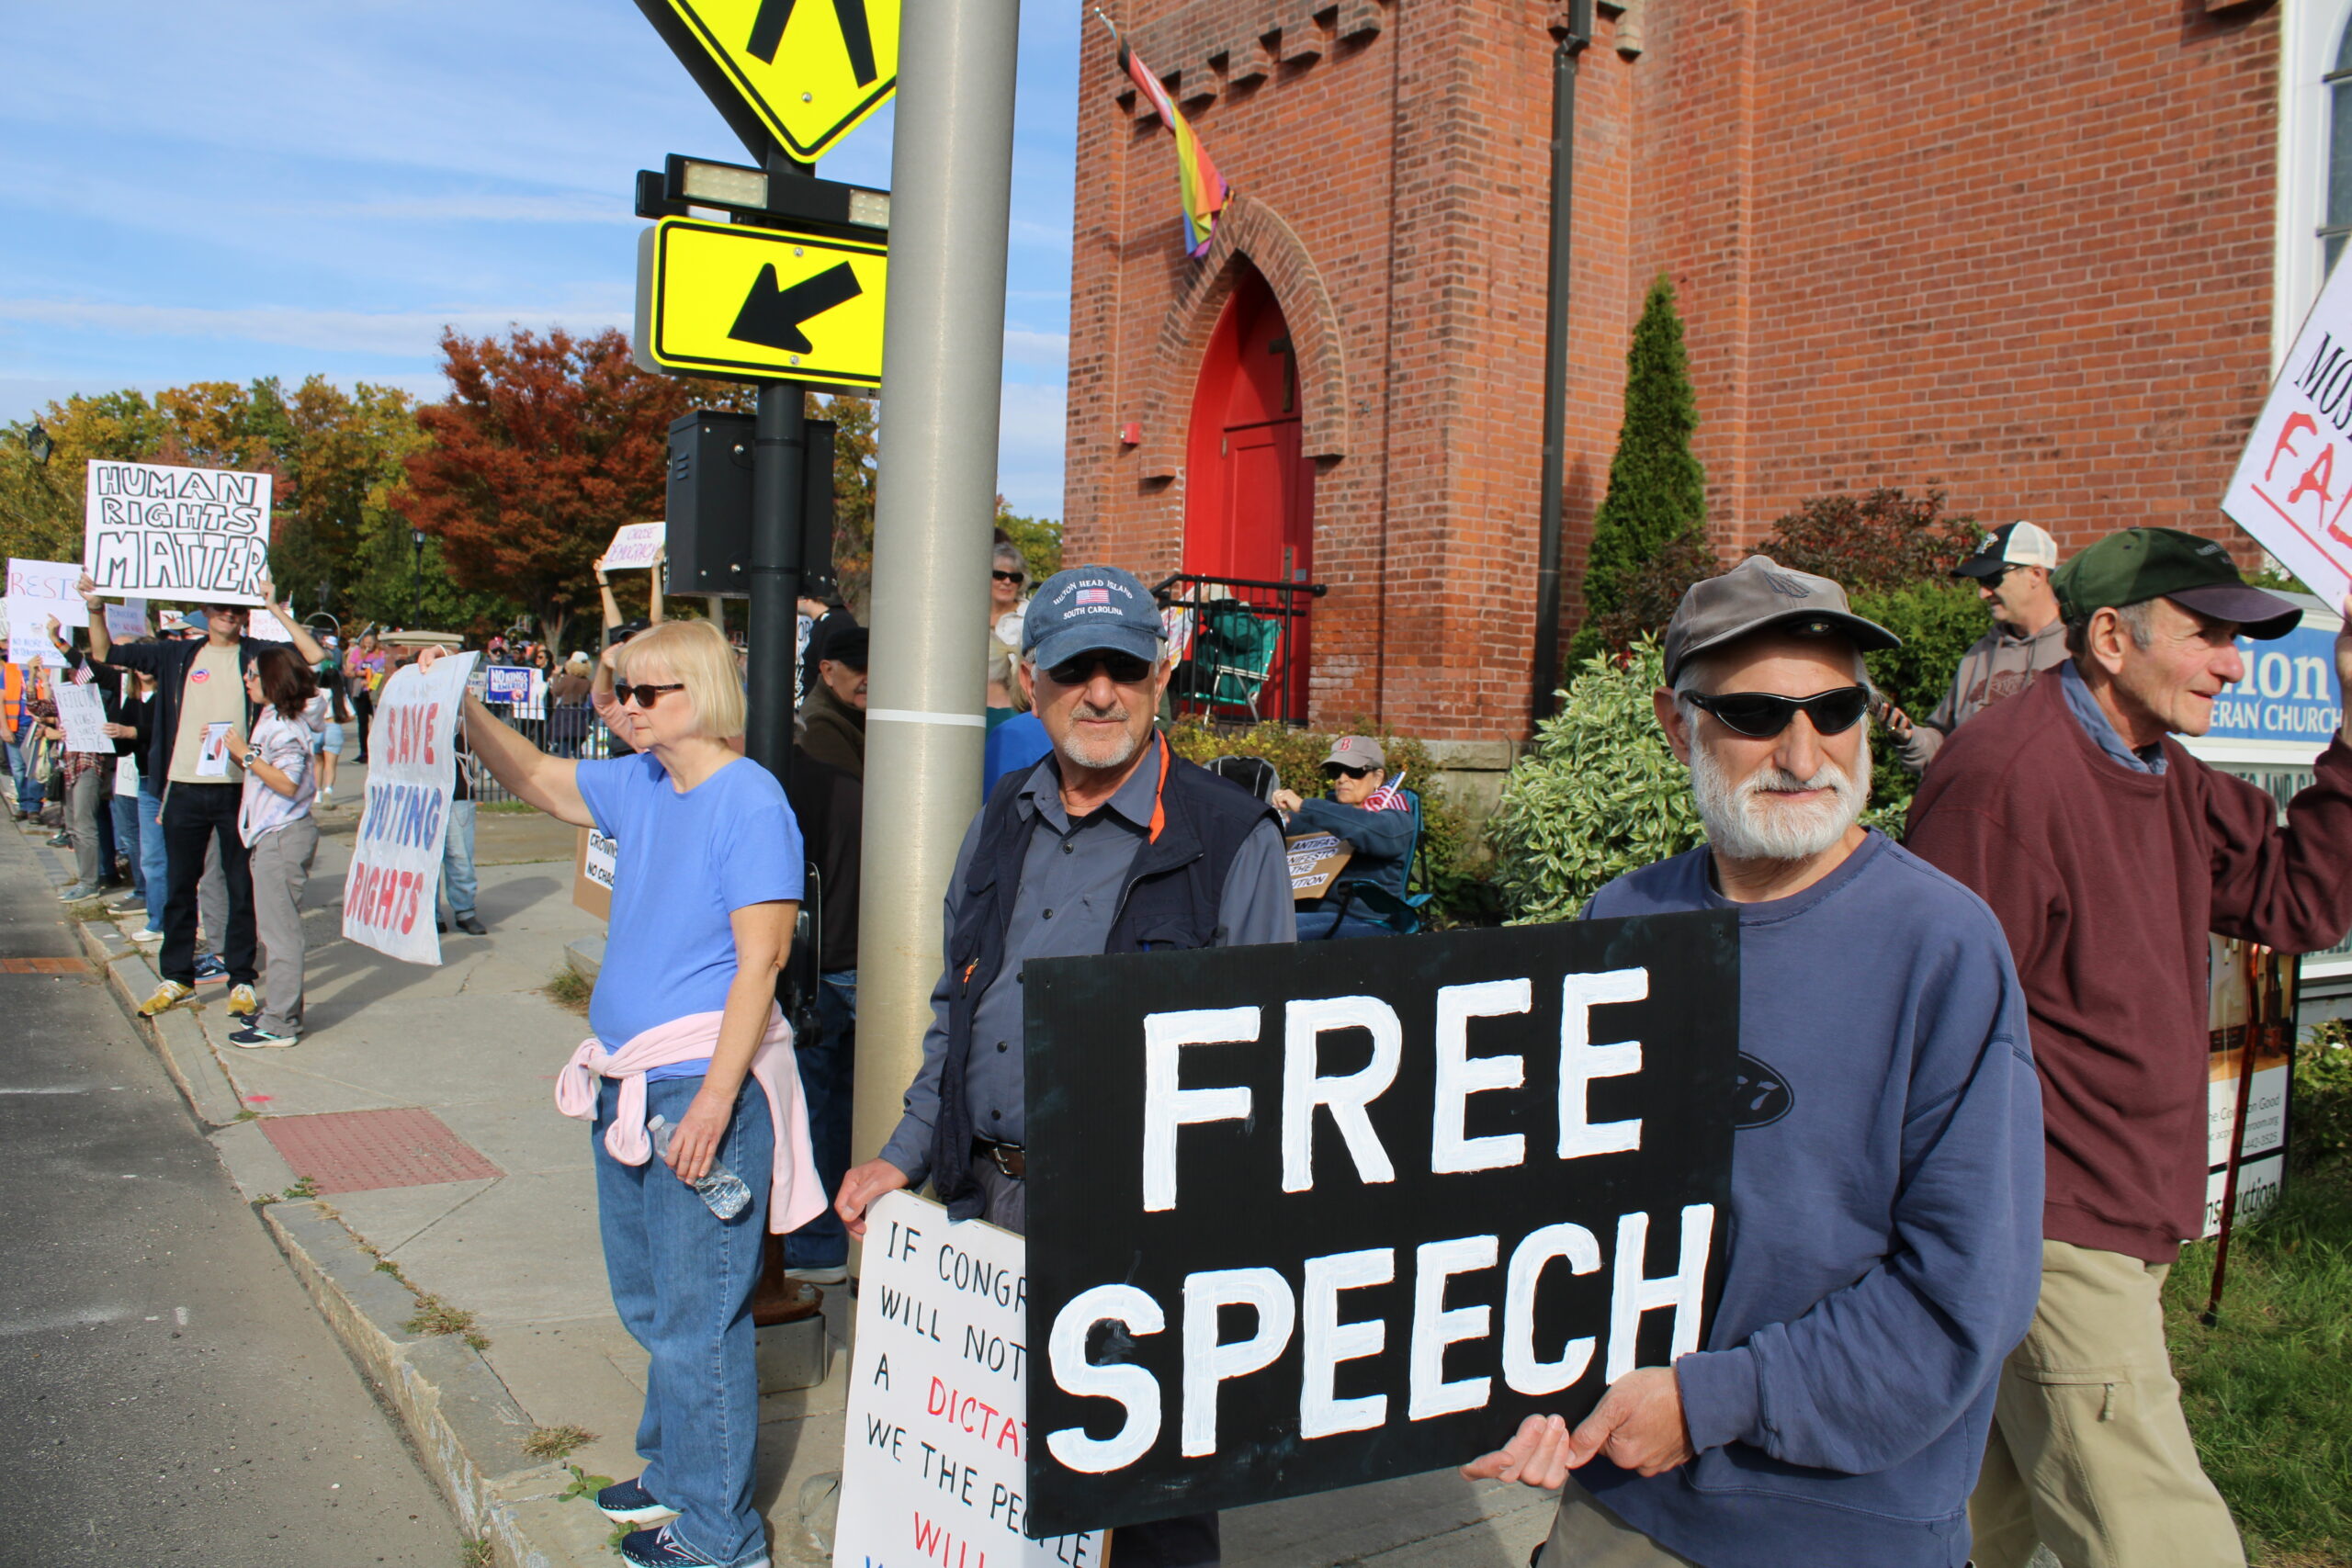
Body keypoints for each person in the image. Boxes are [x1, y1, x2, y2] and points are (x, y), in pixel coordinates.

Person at [1464, 555, 2043, 1568]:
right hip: (1622, 1507)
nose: (1803, 750)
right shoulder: (1623, 919)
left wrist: (1711, 1401)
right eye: (1754, 715)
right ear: (1674, 720)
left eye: (1835, 708)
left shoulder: (1941, 946)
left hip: (1841, 1526)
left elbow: (1967, 1293)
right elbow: (1560, 1211)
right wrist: (1512, 1378)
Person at [1904, 528, 2352, 1568]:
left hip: (2128, 1214)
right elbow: (1933, 1035)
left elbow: (2299, 901)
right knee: (2163, 1542)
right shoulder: (2002, 782)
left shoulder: (2166, 770)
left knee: (1972, 1533)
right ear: (2109, 636)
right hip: (2053, 1230)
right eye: (2208, 637)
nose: (2233, 665)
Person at [834, 564, 1294, 1568]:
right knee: (995, 1496)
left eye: (1123, 668)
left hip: (1135, 1241)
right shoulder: (1003, 809)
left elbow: (1264, 1075)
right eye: (1075, 668)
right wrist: (901, 1154)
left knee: (1148, 1509)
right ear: (1027, 679)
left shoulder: (1230, 839)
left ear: (1161, 673)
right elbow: (957, 1005)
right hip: (984, 1208)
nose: (1100, 693)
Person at [420, 618, 824, 1568]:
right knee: (651, 1303)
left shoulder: (748, 800)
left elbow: (762, 960)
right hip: (631, 1080)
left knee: (697, 1321)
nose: (625, 707)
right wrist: (459, 703)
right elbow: (535, 779)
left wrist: (718, 1105)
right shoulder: (644, 782)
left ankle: (719, 1537)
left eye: (647, 692)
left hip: (696, 1088)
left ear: (702, 693)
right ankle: (676, 1473)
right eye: (620, 691)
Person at [81, 574, 328, 1021]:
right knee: (180, 885)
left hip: (240, 788)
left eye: (236, 609)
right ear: (204, 613)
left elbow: (315, 657)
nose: (229, 615)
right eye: (219, 608)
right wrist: (96, 608)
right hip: (184, 786)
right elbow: (105, 654)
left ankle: (240, 978)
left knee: (240, 887)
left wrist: (273, 608)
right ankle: (177, 977)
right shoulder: (177, 654)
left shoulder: (256, 655)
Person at [1886, 521, 2070, 772]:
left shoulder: (2079, 650)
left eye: (1993, 579)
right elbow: (1946, 743)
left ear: (2036, 574)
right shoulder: (1979, 654)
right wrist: (1910, 739)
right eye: (1980, 582)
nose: (1982, 593)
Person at [229, 648, 321, 1049]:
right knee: (278, 931)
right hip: (275, 834)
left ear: (271, 680)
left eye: (252, 674)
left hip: (282, 835)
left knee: (280, 935)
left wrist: (244, 754)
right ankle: (283, 1014)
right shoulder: (275, 717)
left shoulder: (284, 729)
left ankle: (280, 1024)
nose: (247, 680)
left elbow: (287, 782)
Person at [1271, 734, 1418, 939]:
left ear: (1378, 777)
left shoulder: (1395, 818)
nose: (1342, 778)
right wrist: (1273, 818)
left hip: (1366, 921)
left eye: (1354, 771)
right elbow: (1283, 828)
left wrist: (1305, 806)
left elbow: (1366, 829)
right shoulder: (1324, 815)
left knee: (1272, 933)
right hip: (1312, 914)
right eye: (1335, 771)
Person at [36, 618, 116, 901]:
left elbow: (85, 664)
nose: (74, 674)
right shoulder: (73, 695)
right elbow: (41, 709)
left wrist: (57, 640)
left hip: (89, 763)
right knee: (76, 826)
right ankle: (92, 876)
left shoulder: (107, 688)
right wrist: (38, 681)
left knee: (84, 824)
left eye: (77, 670)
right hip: (70, 764)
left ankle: (90, 882)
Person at [796, 622, 866, 780]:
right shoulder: (820, 723)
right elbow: (849, 794)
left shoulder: (846, 712)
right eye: (858, 668)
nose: (868, 679)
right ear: (828, 671)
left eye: (877, 669)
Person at [984, 540, 1029, 725]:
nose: (1007, 581)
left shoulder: (1030, 616)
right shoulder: (969, 614)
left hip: (1017, 709)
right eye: (999, 575)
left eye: (1015, 577)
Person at [2, 657, 45, 820]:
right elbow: (1, 699)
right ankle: (23, 805)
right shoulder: (10, 669)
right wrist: (4, 728)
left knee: (35, 769)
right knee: (18, 769)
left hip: (36, 727)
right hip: (15, 726)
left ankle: (34, 807)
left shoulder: (47, 668)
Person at [345, 630, 386, 761]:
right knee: (362, 723)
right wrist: (360, 673)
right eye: (366, 642)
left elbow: (382, 670)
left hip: (374, 690)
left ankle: (377, 753)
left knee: (378, 723)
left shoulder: (380, 654)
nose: (368, 645)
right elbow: (348, 671)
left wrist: (372, 677)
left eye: (371, 642)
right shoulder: (357, 653)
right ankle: (364, 752)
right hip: (360, 691)